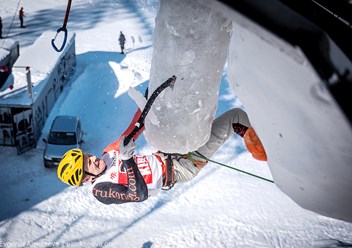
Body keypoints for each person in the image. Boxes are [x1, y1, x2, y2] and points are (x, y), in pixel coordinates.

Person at [57, 108, 267, 205]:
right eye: (88, 163)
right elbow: (136, 195)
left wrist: (146, 105)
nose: (93, 158)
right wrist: (128, 160)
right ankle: (265, 153)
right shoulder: (100, 190)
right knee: (235, 118)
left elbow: (132, 131)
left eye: (87, 155)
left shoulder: (108, 152)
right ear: (86, 178)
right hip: (182, 168)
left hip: (169, 150)